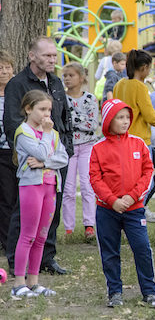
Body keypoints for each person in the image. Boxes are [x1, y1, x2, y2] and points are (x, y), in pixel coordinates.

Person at [4, 37, 72, 275]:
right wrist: (31, 149)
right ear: (32, 56)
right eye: (47, 56)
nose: (52, 60)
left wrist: (66, 149)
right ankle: (16, 262)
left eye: (54, 56)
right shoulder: (18, 84)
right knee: (23, 213)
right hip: (30, 160)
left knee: (52, 213)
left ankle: (46, 258)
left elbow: (64, 119)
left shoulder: (55, 82)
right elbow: (12, 124)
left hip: (55, 157)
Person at [89, 99, 155, 308]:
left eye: (127, 117)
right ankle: (115, 293)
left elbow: (148, 172)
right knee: (110, 252)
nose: (125, 121)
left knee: (142, 249)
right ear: (108, 121)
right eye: (119, 117)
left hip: (135, 209)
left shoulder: (139, 143)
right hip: (107, 211)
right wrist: (112, 201)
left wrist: (132, 197)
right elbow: (95, 178)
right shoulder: (98, 148)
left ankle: (149, 292)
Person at [10, 90, 69, 299]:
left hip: (50, 186)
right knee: (28, 234)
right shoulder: (24, 132)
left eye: (49, 110)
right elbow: (43, 151)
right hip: (31, 187)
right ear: (28, 109)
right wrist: (45, 141)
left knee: (42, 236)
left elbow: (63, 158)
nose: (47, 115)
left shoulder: (52, 133)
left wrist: (44, 163)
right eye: (42, 109)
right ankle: (19, 283)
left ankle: (34, 282)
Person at [113, 49, 155, 223]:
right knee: (148, 177)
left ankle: (137, 207)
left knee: (132, 179)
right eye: (149, 68)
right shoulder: (140, 87)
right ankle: (139, 207)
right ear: (144, 68)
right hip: (139, 141)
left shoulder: (120, 84)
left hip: (122, 139)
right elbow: (149, 114)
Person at [62, 62, 99, 240]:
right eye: (65, 76)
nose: (67, 79)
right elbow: (62, 123)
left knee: (87, 185)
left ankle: (89, 225)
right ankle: (68, 228)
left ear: (81, 78)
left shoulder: (91, 99)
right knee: (68, 188)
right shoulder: (61, 98)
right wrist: (81, 119)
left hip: (87, 146)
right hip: (68, 147)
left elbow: (92, 125)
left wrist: (72, 119)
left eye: (71, 75)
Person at [0, 50, 15, 252]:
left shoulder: (16, 92)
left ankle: (10, 240)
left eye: (7, 67)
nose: (4, 71)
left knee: (11, 198)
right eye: (0, 68)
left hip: (13, 151)